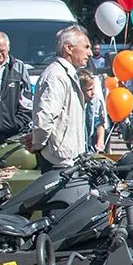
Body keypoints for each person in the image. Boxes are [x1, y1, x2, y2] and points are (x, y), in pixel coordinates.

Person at [29, 25, 92, 173]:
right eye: (86, 47)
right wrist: (38, 145)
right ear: (68, 48)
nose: (89, 53)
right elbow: (44, 119)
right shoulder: (56, 76)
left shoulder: (66, 74)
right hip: (58, 162)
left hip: (68, 159)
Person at [78, 69, 105, 153]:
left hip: (89, 147)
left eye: (93, 88)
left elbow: (100, 123)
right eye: (89, 90)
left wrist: (100, 141)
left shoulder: (95, 101)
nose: (93, 92)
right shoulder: (74, 102)